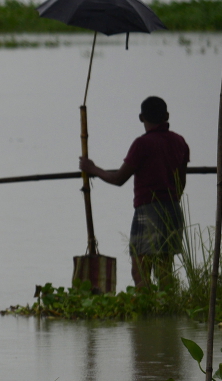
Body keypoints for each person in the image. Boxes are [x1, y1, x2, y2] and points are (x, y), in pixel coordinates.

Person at [80, 96, 191, 289]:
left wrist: (93, 168)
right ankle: (169, 310)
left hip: (148, 211)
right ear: (166, 116)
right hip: (173, 209)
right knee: (165, 270)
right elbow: (181, 183)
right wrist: (169, 200)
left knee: (140, 270)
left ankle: (145, 311)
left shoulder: (142, 144)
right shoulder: (179, 142)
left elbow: (118, 178)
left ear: (141, 118)